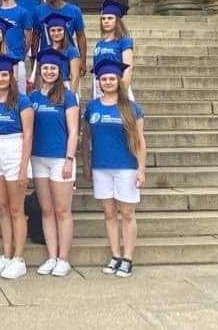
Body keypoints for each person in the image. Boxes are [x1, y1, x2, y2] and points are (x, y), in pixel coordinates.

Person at [81, 58, 146, 279]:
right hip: (101, 167)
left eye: (111, 79)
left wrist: (141, 169)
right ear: (98, 82)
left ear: (118, 81)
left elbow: (140, 141)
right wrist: (86, 164)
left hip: (125, 166)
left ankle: (128, 258)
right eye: (103, 79)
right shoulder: (93, 107)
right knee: (109, 213)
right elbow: (86, 139)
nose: (107, 82)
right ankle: (115, 255)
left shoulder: (131, 108)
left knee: (126, 213)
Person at [0, 54, 34, 280]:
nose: (1, 78)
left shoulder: (22, 101)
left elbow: (28, 135)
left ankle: (18, 258)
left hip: (14, 150)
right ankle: (6, 254)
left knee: (16, 208)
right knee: (2, 207)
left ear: (11, 76)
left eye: (4, 74)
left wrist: (23, 167)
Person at [29, 48, 80, 278]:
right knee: (47, 210)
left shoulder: (67, 97)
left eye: (53, 68)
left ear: (59, 71)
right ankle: (51, 256)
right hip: (38, 158)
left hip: (60, 158)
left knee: (62, 210)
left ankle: (64, 258)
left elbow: (74, 131)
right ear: (40, 70)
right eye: (46, 68)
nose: (49, 71)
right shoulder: (33, 98)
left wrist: (69, 158)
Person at [34, 0, 86, 64]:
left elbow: (80, 36)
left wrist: (83, 60)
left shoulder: (74, 11)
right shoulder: (38, 10)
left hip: (68, 58)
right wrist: (35, 58)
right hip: (46, 58)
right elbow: (35, 35)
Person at [0, 0, 33, 91]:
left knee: (18, 95)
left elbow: (28, 38)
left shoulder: (23, 13)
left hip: (17, 60)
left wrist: (21, 55)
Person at [93, 0, 134, 90]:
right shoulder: (99, 44)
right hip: (100, 85)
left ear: (117, 21)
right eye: (103, 18)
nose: (106, 21)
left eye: (110, 18)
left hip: (117, 85)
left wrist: (123, 91)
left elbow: (128, 68)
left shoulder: (124, 41)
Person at [40, 13, 82, 94]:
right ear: (48, 32)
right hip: (48, 87)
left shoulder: (71, 50)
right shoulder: (46, 50)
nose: (56, 33)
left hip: (65, 86)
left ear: (64, 31)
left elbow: (75, 77)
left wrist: (71, 95)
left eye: (59, 30)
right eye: (53, 30)